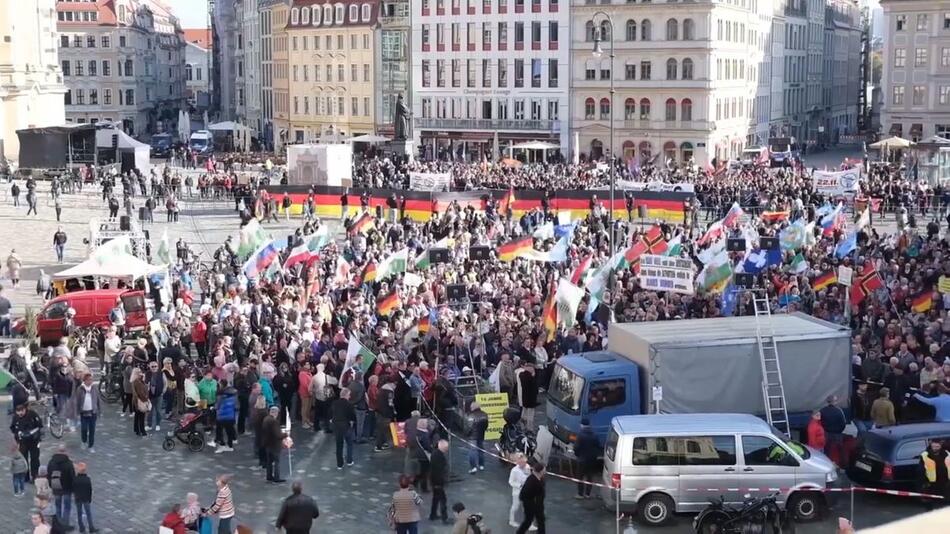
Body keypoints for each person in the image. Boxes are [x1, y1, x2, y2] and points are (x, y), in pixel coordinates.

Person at [10, 402, 43, 481]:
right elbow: (13, 428)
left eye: (22, 411)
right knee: (24, 459)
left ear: (25, 410)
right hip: (22, 442)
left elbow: (39, 425)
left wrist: (33, 433)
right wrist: (18, 434)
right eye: (18, 412)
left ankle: (35, 475)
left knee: (35, 458)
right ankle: (25, 476)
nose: (20, 413)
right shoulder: (16, 417)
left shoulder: (32, 414)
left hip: (34, 441)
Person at [46, 444, 75, 528]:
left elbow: (49, 475)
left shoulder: (51, 462)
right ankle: (65, 525)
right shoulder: (68, 463)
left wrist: (51, 485)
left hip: (56, 487)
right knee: (67, 507)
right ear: (65, 451)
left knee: (58, 506)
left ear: (57, 451)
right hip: (67, 488)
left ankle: (59, 525)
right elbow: (72, 476)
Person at [573, 419, 600, 499]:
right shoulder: (594, 435)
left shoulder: (580, 435)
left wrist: (578, 455)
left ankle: (580, 494)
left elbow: (576, 448)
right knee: (589, 477)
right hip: (592, 460)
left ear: (582, 425)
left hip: (582, 459)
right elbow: (598, 446)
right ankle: (588, 494)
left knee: (580, 477)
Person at [74, 373, 101, 452]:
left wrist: (99, 410)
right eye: (88, 380)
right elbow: (77, 401)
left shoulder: (94, 388)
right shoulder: (80, 389)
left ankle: (91, 446)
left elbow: (98, 399)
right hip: (84, 413)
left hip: (93, 412)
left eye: (91, 380)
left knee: (92, 429)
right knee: (84, 429)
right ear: (85, 381)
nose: (90, 381)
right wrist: (77, 412)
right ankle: (84, 441)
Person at [919, 439, 950, 507]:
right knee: (932, 504)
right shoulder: (925, 455)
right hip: (931, 484)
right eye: (934, 446)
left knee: (945, 503)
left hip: (945, 483)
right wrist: (925, 483)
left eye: (937, 447)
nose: (935, 448)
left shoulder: (947, 454)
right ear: (931, 445)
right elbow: (921, 471)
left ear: (941, 446)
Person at [517, 462, 546, 534]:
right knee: (528, 520)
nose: (545, 471)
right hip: (531, 504)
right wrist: (532, 504)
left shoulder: (541, 478)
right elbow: (523, 495)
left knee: (541, 520)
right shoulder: (531, 480)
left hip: (538, 504)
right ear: (541, 471)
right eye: (544, 469)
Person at [330, 387, 356, 469]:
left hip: (336, 427)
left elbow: (330, 413)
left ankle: (339, 464)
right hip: (346, 426)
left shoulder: (334, 403)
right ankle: (349, 460)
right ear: (346, 395)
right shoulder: (349, 404)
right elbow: (352, 416)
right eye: (349, 395)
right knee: (349, 443)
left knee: (339, 445)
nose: (350, 397)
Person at [262, 406, 287, 483]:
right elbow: (278, 435)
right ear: (275, 412)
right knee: (277, 462)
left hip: (268, 444)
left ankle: (269, 476)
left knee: (269, 461)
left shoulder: (266, 419)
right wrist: (285, 434)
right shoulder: (274, 421)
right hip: (275, 445)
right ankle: (277, 477)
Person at [508, 453, 533, 529]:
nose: (524, 464)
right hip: (517, 492)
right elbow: (511, 482)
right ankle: (511, 521)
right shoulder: (514, 470)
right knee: (515, 507)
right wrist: (519, 485)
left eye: (525, 462)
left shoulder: (528, 467)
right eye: (521, 462)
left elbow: (529, 476)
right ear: (518, 462)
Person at [819, 395, 846, 466]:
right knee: (840, 449)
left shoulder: (822, 411)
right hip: (837, 434)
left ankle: (826, 464)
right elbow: (843, 423)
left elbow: (820, 422)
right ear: (834, 402)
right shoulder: (839, 411)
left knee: (827, 449)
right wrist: (839, 431)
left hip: (827, 433)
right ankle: (843, 464)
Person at [73, 462, 98, 533]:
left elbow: (73, 488)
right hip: (86, 498)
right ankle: (91, 527)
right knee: (88, 513)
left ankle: (81, 527)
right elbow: (89, 490)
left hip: (78, 498)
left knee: (79, 513)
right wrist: (89, 499)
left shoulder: (75, 479)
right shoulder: (87, 479)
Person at [429, 439, 450, 524]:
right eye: (446, 448)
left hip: (435, 481)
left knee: (436, 499)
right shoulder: (439, 456)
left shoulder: (435, 454)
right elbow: (439, 471)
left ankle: (433, 515)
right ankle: (444, 518)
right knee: (443, 500)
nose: (447, 449)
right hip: (438, 482)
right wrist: (441, 482)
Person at [465, 402, 488, 473]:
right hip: (481, 435)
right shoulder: (485, 414)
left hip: (472, 436)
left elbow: (469, 427)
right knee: (481, 450)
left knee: (472, 451)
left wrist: (466, 434)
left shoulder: (471, 415)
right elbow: (486, 426)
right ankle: (481, 465)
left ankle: (473, 467)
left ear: (473, 407)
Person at [215, 381, 238, 452]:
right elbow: (236, 406)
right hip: (230, 415)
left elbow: (217, 406)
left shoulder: (220, 396)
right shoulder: (234, 395)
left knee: (219, 431)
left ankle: (222, 445)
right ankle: (230, 445)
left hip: (221, 416)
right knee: (230, 431)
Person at [131, 367, 149, 437]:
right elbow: (141, 393)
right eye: (139, 372)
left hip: (135, 401)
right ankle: (142, 431)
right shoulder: (138, 382)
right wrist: (146, 399)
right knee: (141, 417)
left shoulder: (134, 381)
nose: (141, 374)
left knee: (137, 416)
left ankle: (136, 430)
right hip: (140, 401)